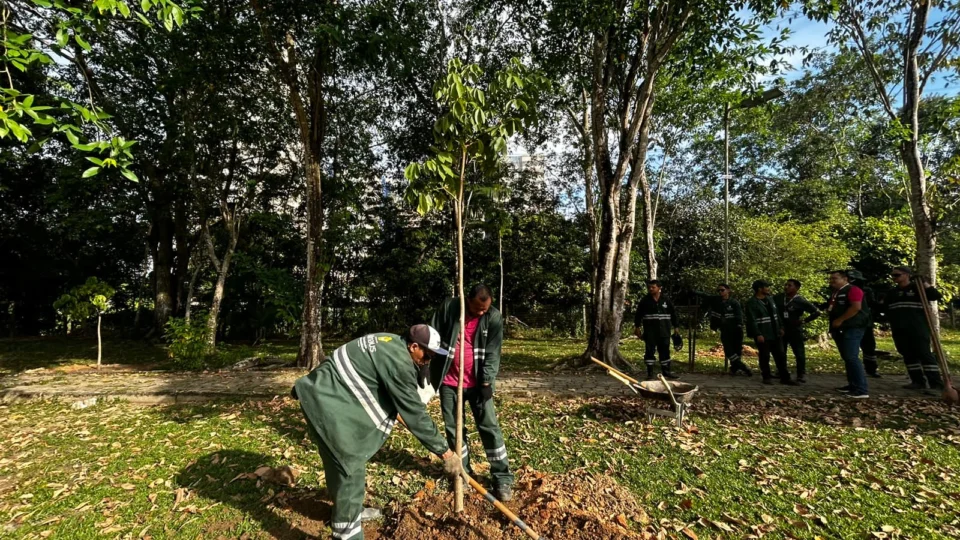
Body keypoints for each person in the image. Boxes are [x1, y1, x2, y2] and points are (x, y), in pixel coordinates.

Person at [292, 325, 461, 540]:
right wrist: (445, 453)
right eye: (427, 356)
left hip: (316, 392)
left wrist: (399, 413)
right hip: (330, 406)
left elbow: (384, 390)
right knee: (350, 469)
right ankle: (347, 533)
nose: (428, 361)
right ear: (414, 346)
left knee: (337, 465)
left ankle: (347, 512)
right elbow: (415, 414)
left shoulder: (388, 340)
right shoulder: (400, 363)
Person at [429, 284, 513, 501]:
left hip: (477, 385)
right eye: (478, 308)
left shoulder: (493, 317)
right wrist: (426, 365)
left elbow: (493, 352)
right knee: (454, 430)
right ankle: (463, 473)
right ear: (468, 300)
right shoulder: (450, 307)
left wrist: (486, 382)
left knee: (489, 427)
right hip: (449, 382)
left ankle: (502, 476)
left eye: (485, 308)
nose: (482, 312)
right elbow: (433, 336)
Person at [882, 266, 944, 391]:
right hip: (899, 328)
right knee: (908, 354)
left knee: (924, 353)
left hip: (917, 327)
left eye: (897, 275)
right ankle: (917, 381)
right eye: (893, 275)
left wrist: (923, 282)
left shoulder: (918, 289)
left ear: (906, 275)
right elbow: (884, 308)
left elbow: (935, 296)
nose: (894, 278)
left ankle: (936, 383)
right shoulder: (892, 293)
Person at [826, 270, 870, 399]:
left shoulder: (853, 290)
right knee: (847, 357)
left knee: (851, 357)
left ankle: (861, 389)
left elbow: (856, 307)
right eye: (830, 279)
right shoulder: (836, 292)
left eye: (835, 278)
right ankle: (853, 385)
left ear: (845, 279)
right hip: (841, 329)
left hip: (852, 327)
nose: (832, 281)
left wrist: (840, 320)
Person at [745, 280, 796, 385]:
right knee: (764, 356)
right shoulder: (752, 302)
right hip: (764, 334)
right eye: (766, 287)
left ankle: (785, 377)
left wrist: (781, 327)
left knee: (781, 356)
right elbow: (751, 320)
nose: (768, 289)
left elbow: (777, 315)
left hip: (776, 333)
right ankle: (766, 377)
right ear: (760, 289)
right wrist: (758, 334)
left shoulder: (770, 300)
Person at [773, 279, 820, 383]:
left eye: (790, 285)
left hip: (794, 329)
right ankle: (781, 371)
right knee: (781, 352)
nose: (786, 287)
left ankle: (801, 373)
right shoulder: (778, 298)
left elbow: (816, 312)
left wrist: (803, 321)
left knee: (799, 352)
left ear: (796, 288)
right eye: (786, 285)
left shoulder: (800, 301)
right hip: (781, 329)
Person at [634, 279, 682, 380]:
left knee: (665, 351)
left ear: (659, 288)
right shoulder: (645, 300)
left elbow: (673, 314)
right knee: (649, 351)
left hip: (664, 330)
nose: (650, 289)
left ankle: (666, 371)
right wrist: (637, 327)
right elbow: (638, 314)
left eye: (653, 287)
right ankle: (650, 373)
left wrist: (676, 327)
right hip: (650, 331)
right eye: (649, 287)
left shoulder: (666, 300)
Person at [703, 284, 751, 376]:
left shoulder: (734, 303)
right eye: (719, 291)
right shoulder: (717, 301)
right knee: (728, 350)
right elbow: (705, 295)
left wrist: (739, 326)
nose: (720, 292)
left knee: (737, 351)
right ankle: (742, 366)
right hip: (725, 330)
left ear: (728, 290)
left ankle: (734, 369)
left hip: (736, 330)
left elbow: (739, 316)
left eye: (722, 290)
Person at [847, 270, 881, 378]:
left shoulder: (866, 291)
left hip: (866, 322)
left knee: (869, 347)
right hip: (851, 322)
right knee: (851, 349)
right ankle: (854, 370)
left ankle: (871, 369)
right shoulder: (845, 290)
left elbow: (872, 304)